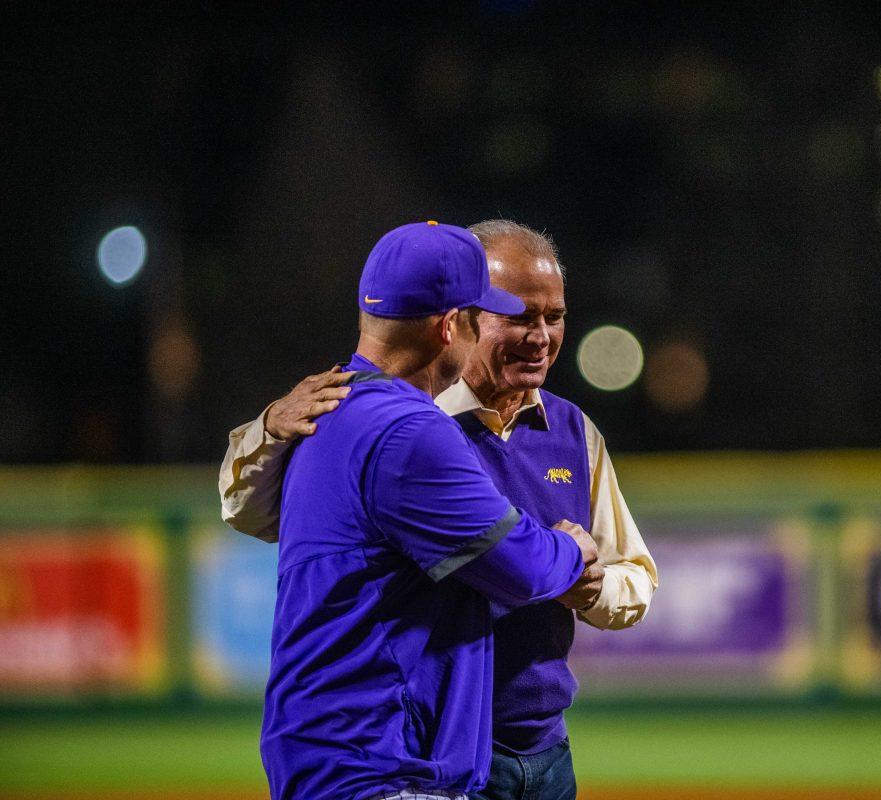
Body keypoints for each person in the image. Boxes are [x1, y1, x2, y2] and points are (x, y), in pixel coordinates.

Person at [220, 220, 658, 800]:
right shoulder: (407, 426)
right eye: (517, 316)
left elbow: (634, 574)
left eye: (553, 317)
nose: (540, 336)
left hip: (524, 748)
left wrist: (595, 587)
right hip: (411, 750)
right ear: (459, 323)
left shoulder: (570, 432)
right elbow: (521, 564)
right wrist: (268, 430)